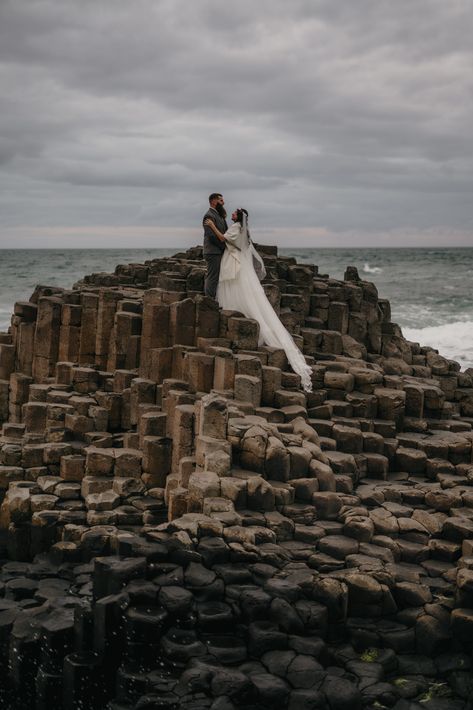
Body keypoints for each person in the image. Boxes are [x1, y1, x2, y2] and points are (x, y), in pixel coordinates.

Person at [204, 208, 313, 392]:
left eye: (234, 213)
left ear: (238, 217)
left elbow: (222, 239)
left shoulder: (236, 227)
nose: (231, 213)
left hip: (233, 260)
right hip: (236, 260)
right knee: (243, 292)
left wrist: (212, 226)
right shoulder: (243, 229)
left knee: (234, 289)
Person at [202, 193, 228, 298]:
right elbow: (211, 236)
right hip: (213, 252)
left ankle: (213, 299)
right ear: (213, 201)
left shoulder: (219, 215)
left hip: (218, 251)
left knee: (216, 277)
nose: (223, 203)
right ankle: (209, 301)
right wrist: (223, 247)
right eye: (221, 200)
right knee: (212, 277)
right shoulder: (209, 216)